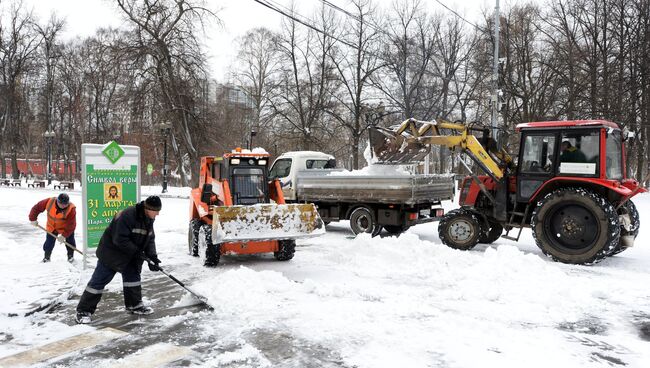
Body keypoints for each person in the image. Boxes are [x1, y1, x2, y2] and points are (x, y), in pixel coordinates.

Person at [75, 196, 162, 324]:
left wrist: (152, 257)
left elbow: (150, 239)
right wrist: (137, 252)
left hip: (131, 255)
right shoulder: (127, 215)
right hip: (112, 253)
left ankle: (134, 305)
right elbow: (119, 239)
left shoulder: (149, 218)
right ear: (147, 208)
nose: (158, 214)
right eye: (156, 211)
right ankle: (83, 311)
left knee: (133, 280)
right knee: (98, 282)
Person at [28, 193, 77, 262]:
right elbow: (37, 208)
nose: (63, 206)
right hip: (52, 226)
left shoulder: (71, 209)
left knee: (70, 241)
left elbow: (71, 225)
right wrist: (32, 219)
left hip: (65, 228)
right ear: (57, 201)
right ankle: (47, 257)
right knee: (49, 243)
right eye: (61, 204)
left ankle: (70, 256)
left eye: (65, 204)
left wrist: (64, 235)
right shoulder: (49, 202)